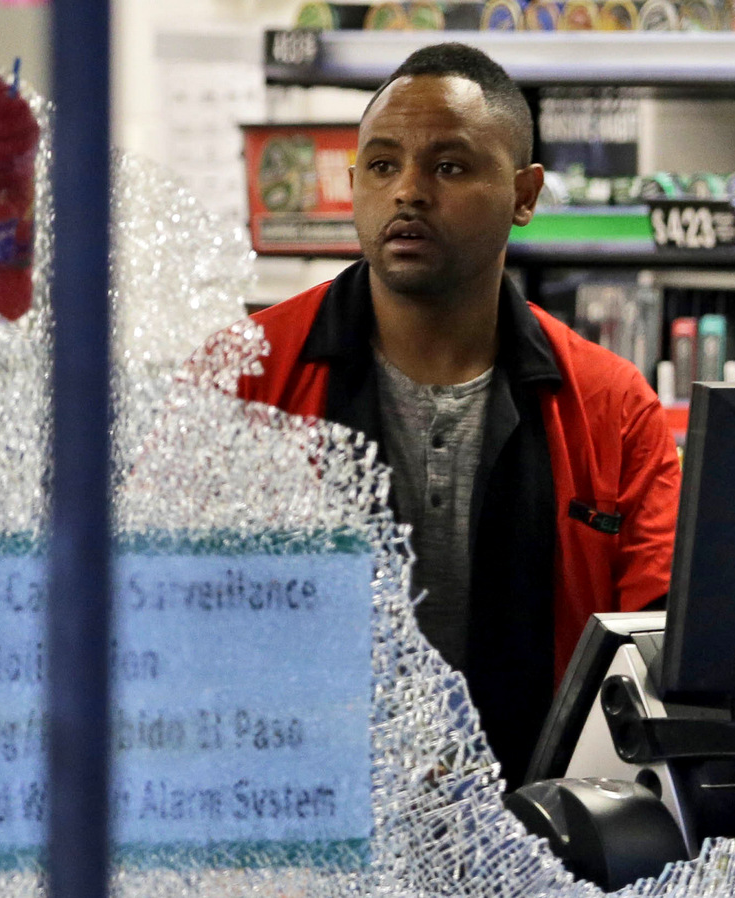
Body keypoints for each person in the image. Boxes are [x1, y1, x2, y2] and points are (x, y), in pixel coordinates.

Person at [237, 43, 680, 786]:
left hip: (544, 838)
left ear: (524, 192)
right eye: (382, 166)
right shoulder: (244, 378)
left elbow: (661, 654)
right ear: (353, 187)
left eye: (448, 167)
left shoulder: (613, 407)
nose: (408, 192)